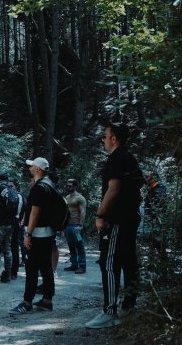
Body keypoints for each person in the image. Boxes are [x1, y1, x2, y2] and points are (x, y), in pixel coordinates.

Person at [85, 123, 144, 329]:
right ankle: (128, 307)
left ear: (114, 139)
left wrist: (100, 214)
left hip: (118, 220)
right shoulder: (130, 158)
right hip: (130, 218)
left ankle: (109, 311)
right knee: (129, 262)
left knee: (109, 263)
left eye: (105, 136)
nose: (103, 139)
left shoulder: (117, 159)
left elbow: (113, 188)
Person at [10, 157, 57, 314]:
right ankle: (47, 300)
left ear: (38, 169)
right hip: (48, 233)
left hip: (37, 234)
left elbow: (35, 212)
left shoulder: (39, 187)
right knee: (45, 267)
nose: (29, 169)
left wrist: (28, 233)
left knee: (31, 268)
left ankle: (27, 302)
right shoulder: (50, 185)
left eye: (32, 167)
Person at [63, 178, 87, 274]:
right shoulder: (67, 197)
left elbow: (83, 211)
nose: (68, 187)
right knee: (71, 245)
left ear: (75, 186)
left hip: (76, 227)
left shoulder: (80, 198)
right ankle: (74, 264)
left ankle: (82, 266)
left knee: (79, 245)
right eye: (67, 185)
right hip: (68, 226)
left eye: (70, 185)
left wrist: (80, 225)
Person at [143, 171, 167, 260]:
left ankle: (164, 262)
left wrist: (154, 216)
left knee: (158, 241)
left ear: (154, 178)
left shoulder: (160, 188)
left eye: (147, 177)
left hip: (156, 219)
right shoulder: (151, 189)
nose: (145, 179)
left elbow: (161, 204)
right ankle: (152, 261)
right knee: (152, 240)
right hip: (151, 219)